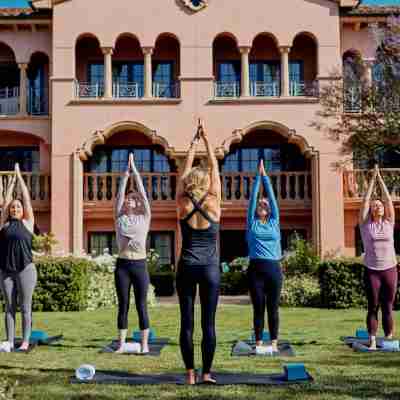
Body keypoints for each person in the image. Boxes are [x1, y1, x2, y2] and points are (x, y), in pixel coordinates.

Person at [176, 121, 221, 384]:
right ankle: (207, 373)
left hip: (186, 267)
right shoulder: (214, 202)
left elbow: (183, 175)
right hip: (210, 269)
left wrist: (192, 144)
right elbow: (214, 167)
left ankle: (190, 374)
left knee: (187, 323)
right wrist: (206, 141)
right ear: (206, 182)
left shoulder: (182, 203)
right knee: (209, 325)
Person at [114, 153, 151, 353]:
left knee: (141, 305)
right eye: (128, 199)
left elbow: (144, 195)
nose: (130, 201)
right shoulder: (119, 217)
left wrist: (135, 172)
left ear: (138, 204)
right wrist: (125, 176)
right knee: (123, 305)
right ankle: (121, 344)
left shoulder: (145, 217)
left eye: (133, 200)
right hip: (123, 265)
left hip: (139, 265)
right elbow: (120, 194)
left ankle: (144, 345)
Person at [359, 165, 398, 349]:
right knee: (373, 305)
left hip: (390, 268)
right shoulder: (366, 225)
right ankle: (372, 339)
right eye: (375, 206)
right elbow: (365, 201)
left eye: (380, 205)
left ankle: (389, 338)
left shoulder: (389, 222)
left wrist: (380, 179)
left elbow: (389, 201)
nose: (378, 207)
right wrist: (372, 180)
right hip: (371, 270)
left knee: (388, 306)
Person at [246, 159, 282, 354]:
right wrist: (258, 179)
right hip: (255, 270)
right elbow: (253, 199)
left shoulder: (275, 222)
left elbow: (274, 201)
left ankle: (274, 343)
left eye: (265, 204)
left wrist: (266, 178)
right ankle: (259, 343)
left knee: (273, 308)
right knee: (258, 308)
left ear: (269, 210)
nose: (262, 205)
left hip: (274, 269)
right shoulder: (251, 223)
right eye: (261, 204)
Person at [0, 163, 37, 352]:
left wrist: (19, 177)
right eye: (13, 207)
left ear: (23, 210)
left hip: (26, 269)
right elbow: (5, 202)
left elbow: (28, 200)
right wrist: (11, 181)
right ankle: (9, 341)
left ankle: (24, 341)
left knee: (25, 306)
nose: (15, 208)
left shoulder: (28, 223)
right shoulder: (3, 225)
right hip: (6, 270)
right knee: (9, 307)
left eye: (18, 207)